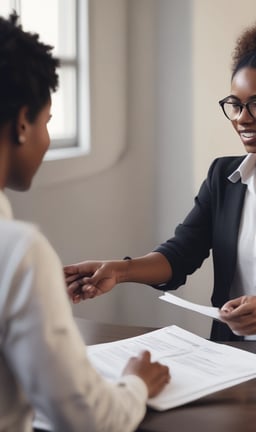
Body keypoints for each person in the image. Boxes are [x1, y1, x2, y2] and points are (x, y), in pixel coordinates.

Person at [65, 19, 256, 343]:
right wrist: (119, 271)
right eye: (236, 104)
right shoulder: (222, 178)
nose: (242, 117)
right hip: (233, 352)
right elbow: (179, 256)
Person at [0, 13, 170, 432]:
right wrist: (136, 383)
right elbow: (88, 419)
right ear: (23, 122)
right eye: (47, 122)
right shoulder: (19, 251)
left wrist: (35, 295)